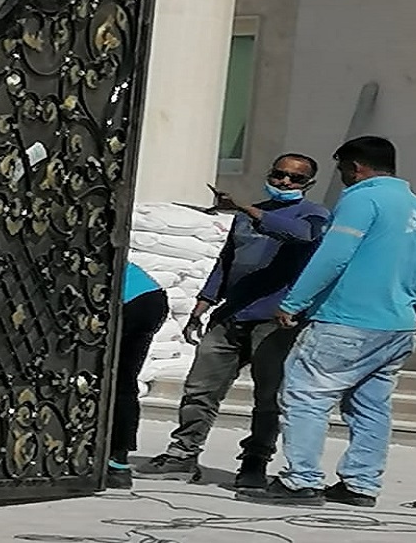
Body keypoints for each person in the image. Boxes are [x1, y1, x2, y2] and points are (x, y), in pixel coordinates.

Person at [237, 136, 416, 507]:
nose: (343, 177)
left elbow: (334, 255)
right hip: (397, 325)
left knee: (305, 394)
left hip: (347, 321)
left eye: (342, 169)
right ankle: (361, 484)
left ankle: (301, 481)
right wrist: (412, 315)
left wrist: (294, 302)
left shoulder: (362, 199)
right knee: (371, 406)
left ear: (356, 167)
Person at [135, 154, 331, 488]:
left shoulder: (312, 215)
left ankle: (255, 460)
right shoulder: (245, 216)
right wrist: (203, 304)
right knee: (200, 388)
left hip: (274, 319)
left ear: (308, 184)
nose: (285, 182)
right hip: (231, 314)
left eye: (295, 178)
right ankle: (183, 454)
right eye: (280, 174)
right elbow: (226, 262)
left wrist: (247, 209)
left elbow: (300, 235)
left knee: (268, 396)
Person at [108, 261, 170, 489]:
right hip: (151, 298)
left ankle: (112, 459)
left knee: (112, 379)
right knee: (123, 380)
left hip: (130, 302)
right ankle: (118, 461)